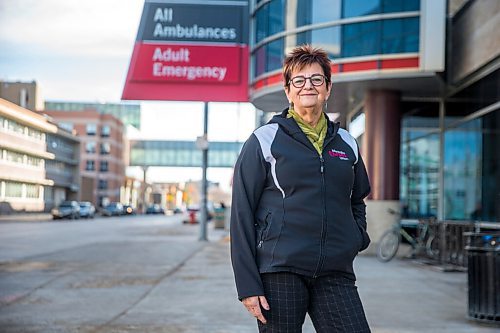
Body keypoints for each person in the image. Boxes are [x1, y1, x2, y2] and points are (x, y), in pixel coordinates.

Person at [230, 45, 371, 332]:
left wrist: (355, 238)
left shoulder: (347, 143)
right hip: (279, 270)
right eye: (299, 80)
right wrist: (247, 285)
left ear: (328, 89)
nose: (308, 85)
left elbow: (357, 199)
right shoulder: (264, 140)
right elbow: (241, 214)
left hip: (335, 270)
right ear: (288, 90)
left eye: (317, 79)